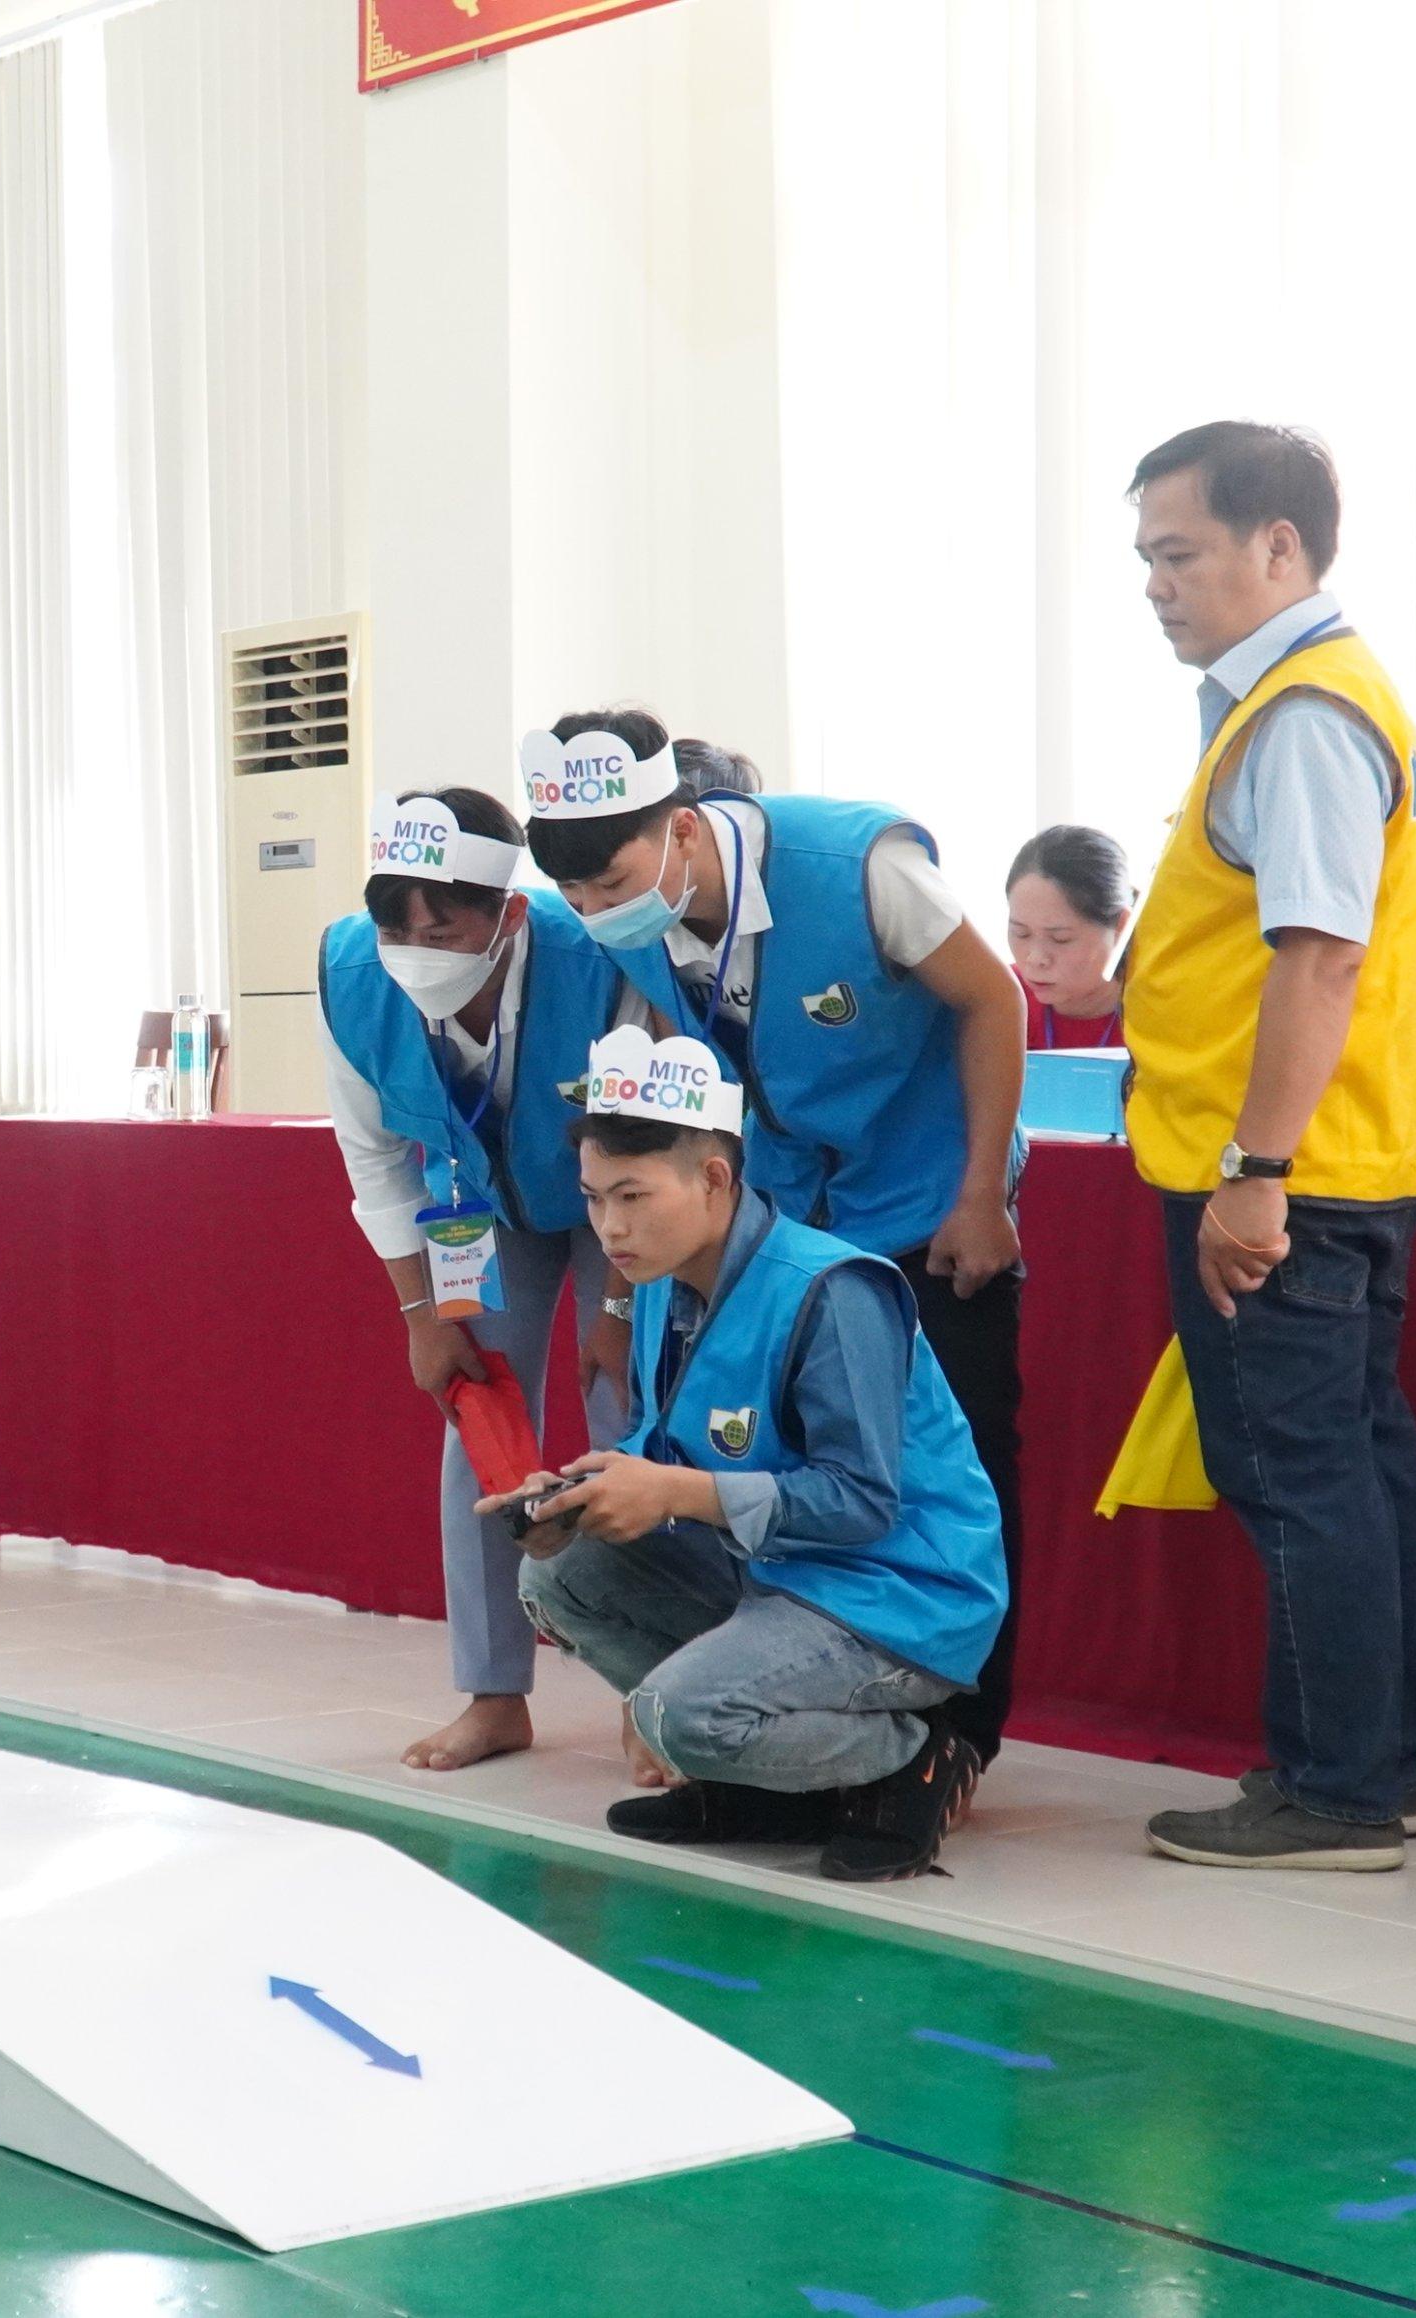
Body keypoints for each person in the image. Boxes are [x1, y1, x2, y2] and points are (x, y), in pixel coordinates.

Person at [522, 710, 1034, 1782]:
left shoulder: (856, 866)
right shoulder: (643, 922)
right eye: (575, 897)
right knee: (759, 1453)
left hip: (932, 1203)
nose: (598, 913)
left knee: (948, 1467)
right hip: (788, 1217)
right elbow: (669, 1108)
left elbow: (994, 999)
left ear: (682, 829)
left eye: (611, 883)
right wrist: (619, 1298)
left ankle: (952, 1745)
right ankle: (764, 1710)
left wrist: (981, 1193)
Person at [1111, 421, 1416, 1873]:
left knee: (1301, 1473)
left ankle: (1336, 1789)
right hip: (1347, 1158)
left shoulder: (1303, 714)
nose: (1155, 584)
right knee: (1354, 1464)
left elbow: (1319, 956)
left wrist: (1254, 1173)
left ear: (1278, 546)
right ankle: (1373, 1767)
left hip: (1283, 1173)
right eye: (1144, 558)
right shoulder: (1306, 698)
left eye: (1178, 553)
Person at [488, 1026, 1004, 1883]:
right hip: (778, 1570)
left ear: (714, 1178)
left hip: (896, 1592)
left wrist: (675, 1493)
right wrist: (576, 1494)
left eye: (632, 1196)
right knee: (558, 1574)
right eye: (593, 1199)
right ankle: (764, 1786)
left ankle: (910, 1759)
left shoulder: (831, 1291)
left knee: (674, 1715)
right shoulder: (662, 1283)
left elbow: (861, 1502)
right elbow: (660, 1444)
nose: (609, 1229)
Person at [321, 786, 628, 1772]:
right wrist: (420, 1313)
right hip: (478, 1206)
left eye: (441, 928)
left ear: (508, 914)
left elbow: (651, 1145)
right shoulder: (350, 974)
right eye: (394, 928)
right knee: (480, 1415)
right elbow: (375, 1157)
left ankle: (651, 1689)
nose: (413, 949)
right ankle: (494, 1693)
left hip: (621, 1197)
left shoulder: (597, 956)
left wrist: (622, 1305)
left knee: (631, 1415)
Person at [1005, 825, 1135, 1048]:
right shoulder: (1001, 995)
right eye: (1021, 933)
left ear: (1120, 926)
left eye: (1060, 938)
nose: (1035, 959)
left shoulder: (1160, 1009)